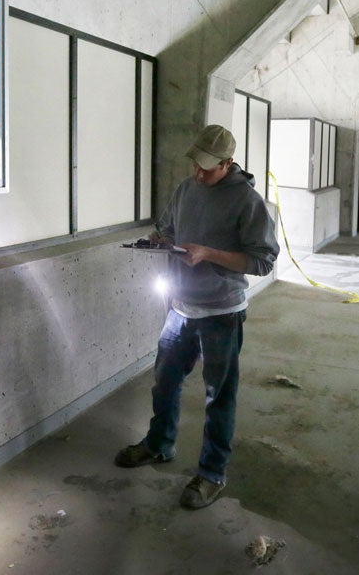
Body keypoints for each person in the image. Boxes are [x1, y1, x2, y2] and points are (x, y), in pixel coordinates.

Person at [115, 124, 280, 509]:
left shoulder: (247, 201)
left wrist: (210, 253)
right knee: (164, 382)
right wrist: (158, 238)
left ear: (229, 163)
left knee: (217, 396)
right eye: (196, 165)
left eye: (208, 168)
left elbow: (262, 260)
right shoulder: (187, 189)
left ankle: (212, 474)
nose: (199, 173)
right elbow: (169, 227)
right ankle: (158, 445)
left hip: (222, 312)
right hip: (180, 306)